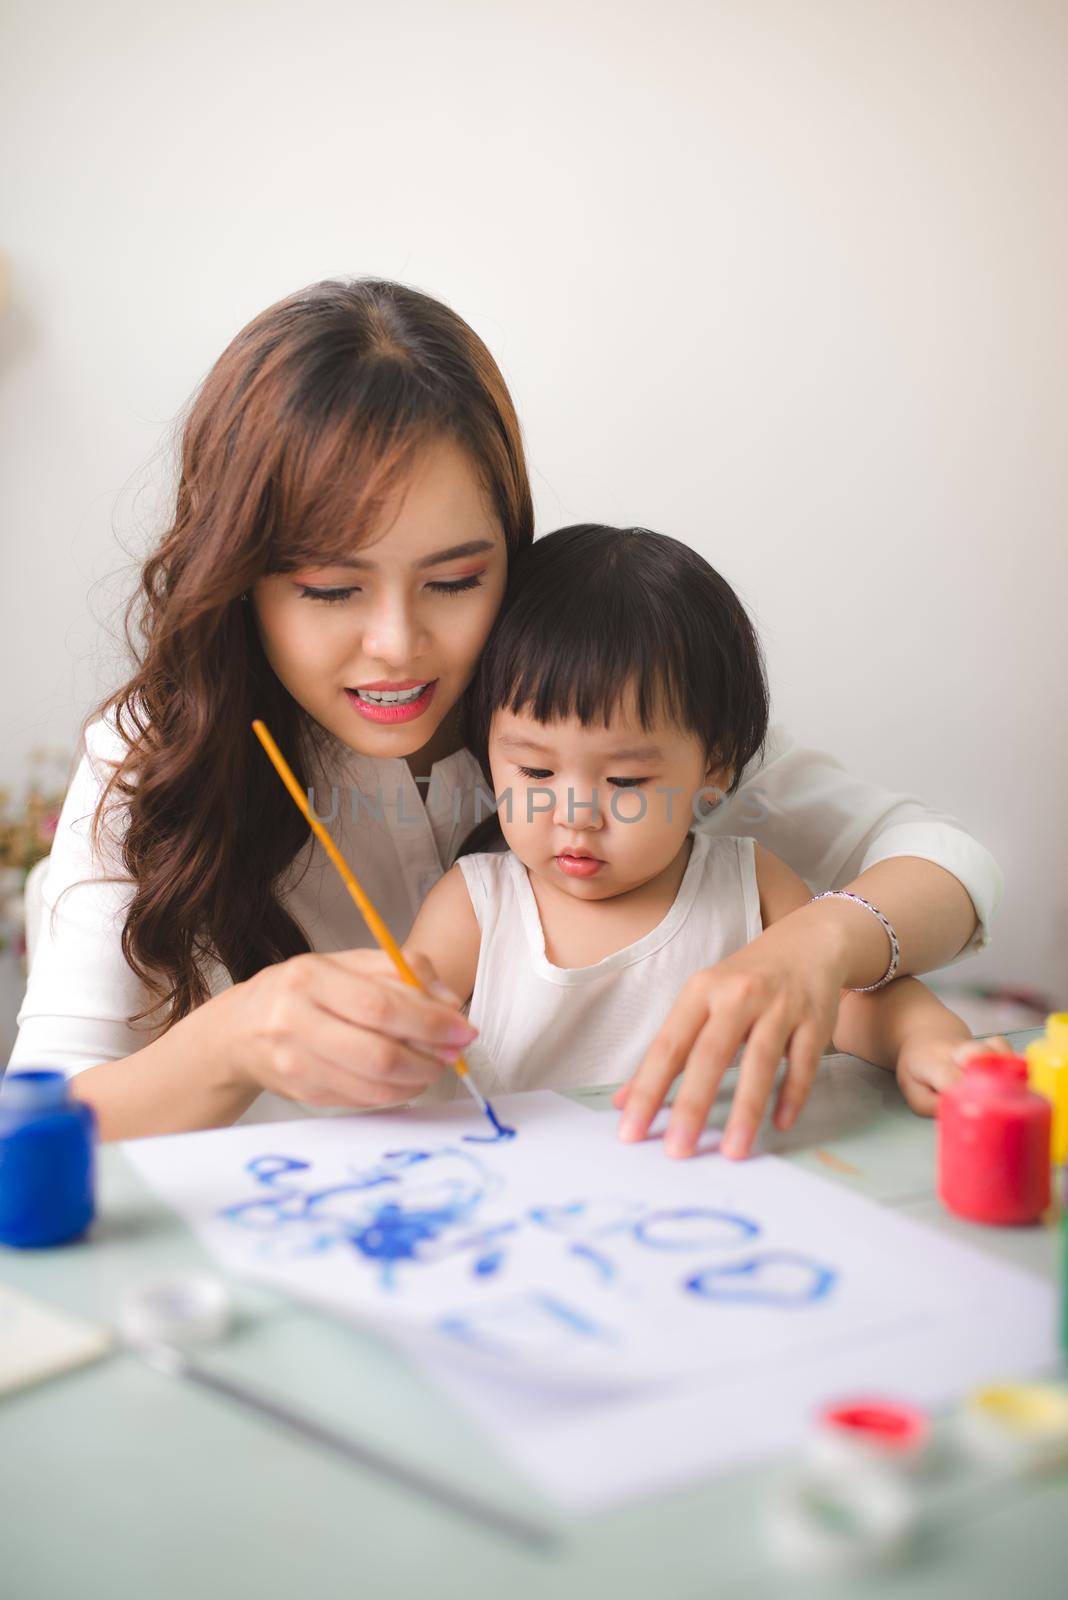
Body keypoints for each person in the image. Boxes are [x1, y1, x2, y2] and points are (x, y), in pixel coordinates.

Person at [9, 278, 1001, 1145]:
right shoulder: (157, 754)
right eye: (328, 589)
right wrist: (233, 1044)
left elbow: (951, 861)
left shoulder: (581, 694)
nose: (397, 642)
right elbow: (39, 1118)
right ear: (240, 582)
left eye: (455, 577)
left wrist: (819, 944)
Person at [404, 524, 985, 1156]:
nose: (575, 815)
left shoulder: (748, 885)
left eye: (625, 780)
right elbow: (404, 1008)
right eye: (536, 772)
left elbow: (853, 1000)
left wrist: (925, 1037)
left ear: (717, 767)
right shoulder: (476, 904)